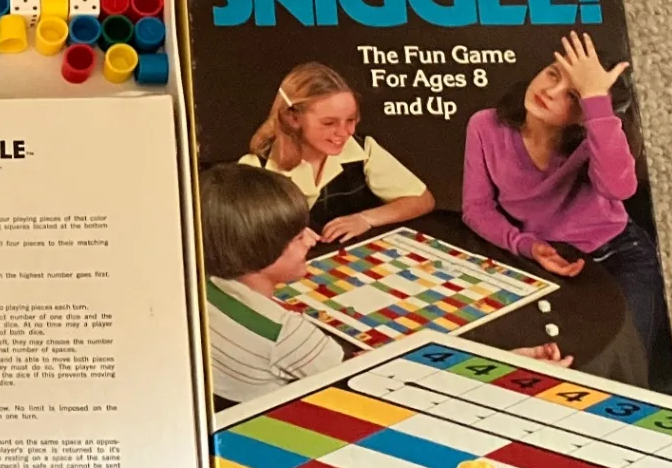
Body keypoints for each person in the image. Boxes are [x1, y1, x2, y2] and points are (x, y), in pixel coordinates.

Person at [201, 164, 569, 405]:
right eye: (298, 237)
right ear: (259, 252)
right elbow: (386, 384)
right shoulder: (287, 334)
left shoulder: (205, 290)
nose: (312, 239)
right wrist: (509, 372)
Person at [462, 31, 672, 393]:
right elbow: (476, 207)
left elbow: (619, 189)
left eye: (573, 95)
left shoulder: (599, 137)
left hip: (615, 255)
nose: (550, 91)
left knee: (625, 365)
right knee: (541, 367)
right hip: (538, 255)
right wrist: (526, 245)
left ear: (585, 113)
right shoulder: (485, 124)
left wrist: (596, 102)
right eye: (552, 73)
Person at [241, 62, 436, 243]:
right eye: (329, 123)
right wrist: (283, 233)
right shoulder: (256, 168)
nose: (344, 132)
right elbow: (239, 234)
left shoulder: (362, 150)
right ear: (293, 118)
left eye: (351, 120)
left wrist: (365, 218)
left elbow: (422, 199)